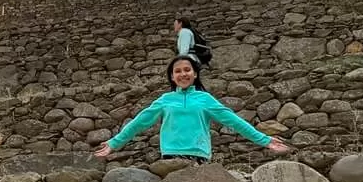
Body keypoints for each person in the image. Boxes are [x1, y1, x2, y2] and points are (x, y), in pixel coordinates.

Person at [94, 54, 290, 163]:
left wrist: (264, 140)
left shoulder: (205, 99)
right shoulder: (165, 100)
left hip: (199, 155)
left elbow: (233, 121)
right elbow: (139, 122)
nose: (183, 74)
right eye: (177, 71)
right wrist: (114, 143)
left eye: (187, 70)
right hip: (170, 156)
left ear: (195, 74)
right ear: (172, 77)